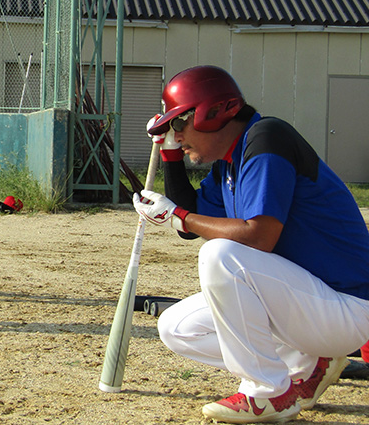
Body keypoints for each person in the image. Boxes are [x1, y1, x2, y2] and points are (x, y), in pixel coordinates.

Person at [132, 65, 369, 423]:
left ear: (214, 113)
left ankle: (268, 393)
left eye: (180, 124)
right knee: (177, 328)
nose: (177, 134)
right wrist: (171, 157)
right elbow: (190, 224)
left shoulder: (267, 139)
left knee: (221, 255)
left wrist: (178, 216)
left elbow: (259, 237)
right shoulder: (228, 162)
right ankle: (305, 366)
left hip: (348, 306)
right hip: (311, 303)